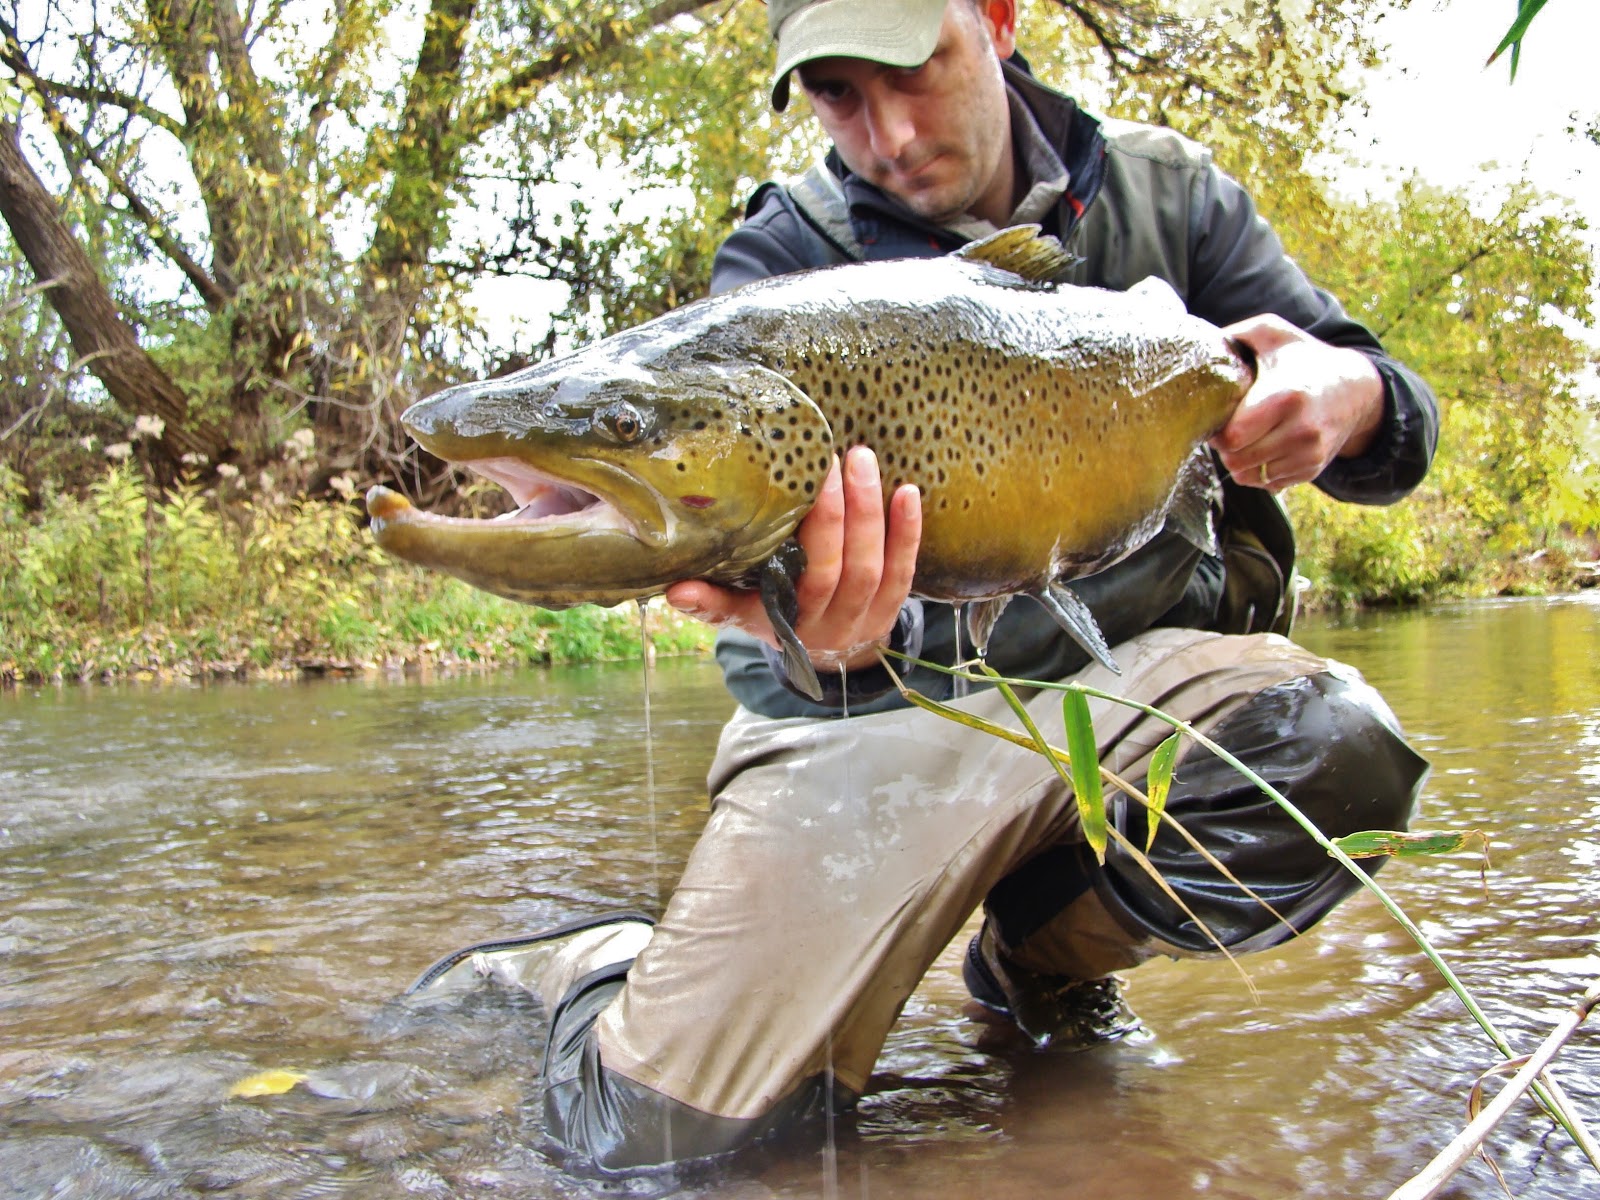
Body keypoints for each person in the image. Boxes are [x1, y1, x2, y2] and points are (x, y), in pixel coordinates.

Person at [408, 0, 1436, 1175]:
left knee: (1332, 757)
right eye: (839, 95)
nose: (887, 133)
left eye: (913, 70)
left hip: (1132, 684)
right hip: (876, 717)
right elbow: (760, 629)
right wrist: (821, 636)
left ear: (995, 21)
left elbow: (1391, 420)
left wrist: (1349, 389)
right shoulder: (775, 267)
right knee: (641, 1145)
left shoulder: (1173, 199)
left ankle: (1036, 963)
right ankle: (597, 962)